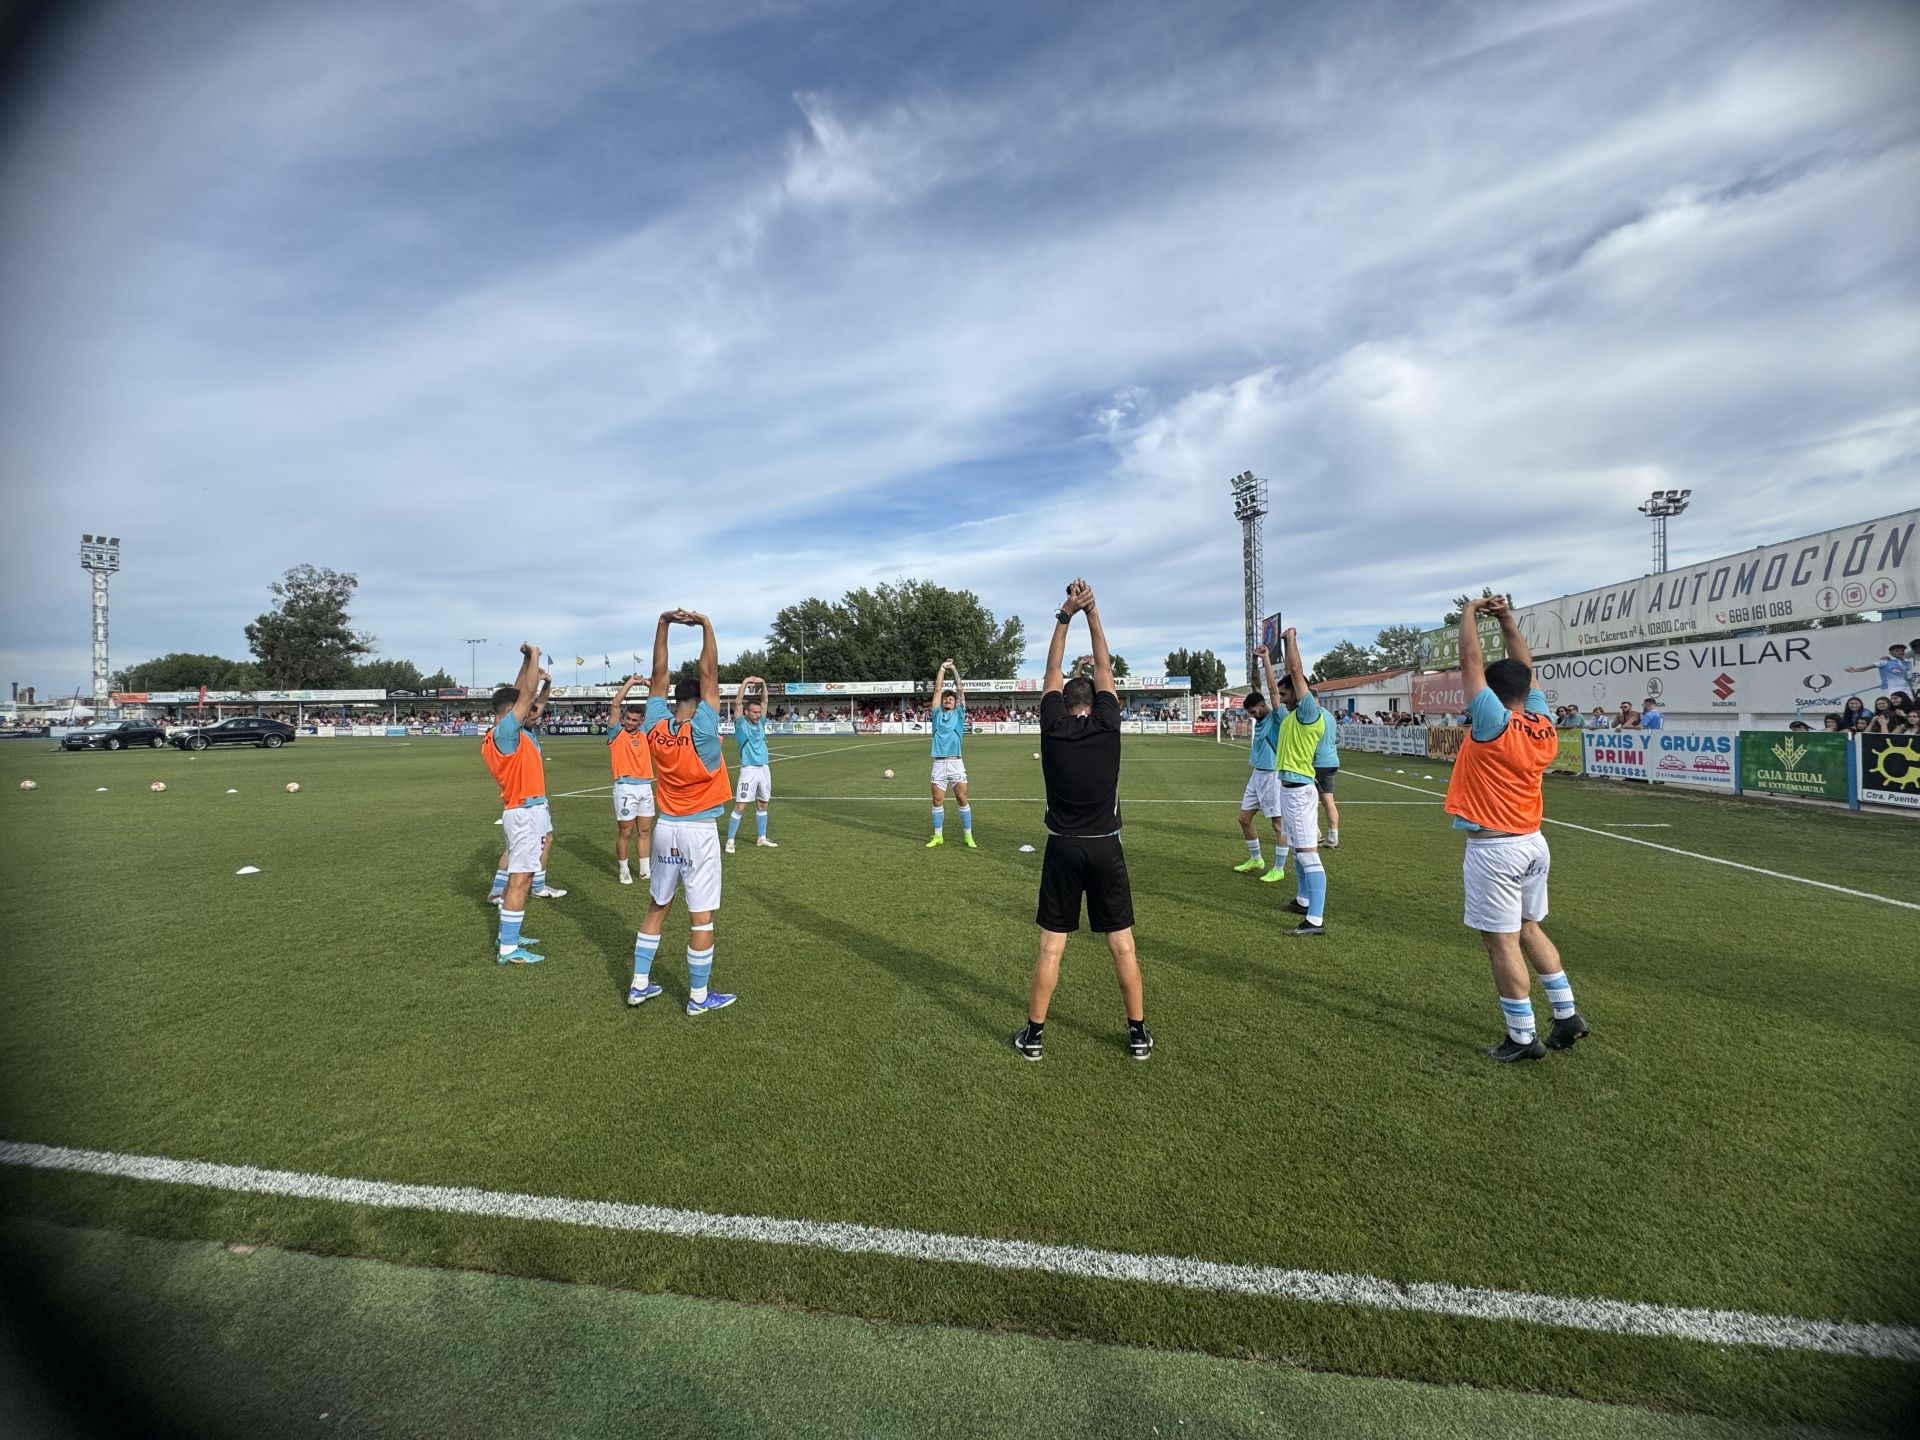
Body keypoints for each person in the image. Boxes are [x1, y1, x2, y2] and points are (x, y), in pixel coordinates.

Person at [1444, 595, 1589, 1063]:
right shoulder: (1542, 723)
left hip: (1496, 848)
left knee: (1501, 941)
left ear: (1489, 690)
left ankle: (1522, 1038)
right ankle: (1567, 1014)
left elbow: (1470, 660)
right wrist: (1506, 618)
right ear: (1528, 690)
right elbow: (1526, 669)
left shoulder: (1493, 723)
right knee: (1528, 926)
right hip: (1532, 842)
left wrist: (1468, 612)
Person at [1013, 579, 1151, 1062]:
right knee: (1123, 946)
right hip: (1105, 847)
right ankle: (1137, 1033)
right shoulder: (1109, 723)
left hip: (1063, 846)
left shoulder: (1051, 727)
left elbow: (1051, 668)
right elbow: (1106, 665)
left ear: (1063, 703)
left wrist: (1065, 614)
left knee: (1051, 948)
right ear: (1094, 702)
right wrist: (1093, 612)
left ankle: (1033, 1036)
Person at [628, 610, 736, 1017]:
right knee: (701, 918)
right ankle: (697, 997)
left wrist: (662, 623)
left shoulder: (656, 725)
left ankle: (639, 985)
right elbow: (710, 671)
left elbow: (658, 672)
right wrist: (707, 625)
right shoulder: (706, 727)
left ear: (673, 700)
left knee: (658, 906)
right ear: (704, 700)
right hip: (698, 830)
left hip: (665, 828)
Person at [481, 646, 556, 966]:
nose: (531, 709)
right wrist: (536, 655)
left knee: (522, 874)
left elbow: (518, 692)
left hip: (527, 810)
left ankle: (508, 935)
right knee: (521, 879)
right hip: (523, 811)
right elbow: (524, 695)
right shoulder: (506, 733)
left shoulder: (503, 731)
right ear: (511, 710)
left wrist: (525, 662)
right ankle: (509, 949)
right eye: (524, 707)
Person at [487, 666, 567, 911]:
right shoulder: (508, 734)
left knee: (540, 842)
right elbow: (523, 693)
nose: (535, 712)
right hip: (524, 806)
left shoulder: (523, 731)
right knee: (519, 873)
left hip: (533, 803)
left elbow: (531, 698)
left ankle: (523, 889)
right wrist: (532, 658)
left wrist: (546, 684)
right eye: (529, 709)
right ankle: (504, 906)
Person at [1270, 628, 1330, 938]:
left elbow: (1296, 671)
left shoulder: (1308, 713)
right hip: (1287, 790)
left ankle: (1315, 920)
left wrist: (1289, 639)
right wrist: (1267, 661)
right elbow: (1273, 686)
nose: (1280, 699)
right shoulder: (1291, 715)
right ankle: (1304, 900)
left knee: (1308, 854)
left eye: (1284, 694)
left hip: (1300, 792)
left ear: (1298, 692)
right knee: (1296, 849)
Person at [1232, 644, 1289, 883]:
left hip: (1273, 776)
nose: (1253, 716)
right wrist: (1254, 661)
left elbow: (1273, 690)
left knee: (1278, 825)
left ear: (1263, 706)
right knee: (1244, 819)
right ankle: (1256, 859)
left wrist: (1266, 658)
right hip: (1257, 775)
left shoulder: (1277, 715)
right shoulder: (1260, 709)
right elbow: (1256, 685)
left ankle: (1279, 867)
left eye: (1254, 712)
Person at [606, 674, 655, 886]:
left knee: (645, 830)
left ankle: (645, 869)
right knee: (626, 830)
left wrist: (649, 685)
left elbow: (656, 702)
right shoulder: (616, 732)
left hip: (645, 786)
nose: (629, 723)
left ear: (641, 721)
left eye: (634, 720)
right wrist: (631, 683)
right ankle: (624, 869)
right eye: (627, 719)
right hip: (625, 787)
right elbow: (615, 704)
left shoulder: (644, 731)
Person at [726, 676, 778, 854]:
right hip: (748, 770)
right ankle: (730, 841)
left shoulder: (761, 722)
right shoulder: (740, 724)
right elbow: (738, 701)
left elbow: (765, 700)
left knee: (763, 803)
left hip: (764, 768)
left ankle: (761, 838)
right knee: (740, 806)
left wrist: (763, 682)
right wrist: (746, 682)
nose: (758, 714)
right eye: (754, 712)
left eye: (759, 712)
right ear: (747, 712)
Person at [927, 659, 974, 848]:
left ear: (956, 703)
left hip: (956, 763)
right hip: (939, 763)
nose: (947, 699)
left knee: (962, 799)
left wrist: (953, 669)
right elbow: (937, 691)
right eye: (946, 698)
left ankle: (968, 836)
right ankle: (938, 836)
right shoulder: (937, 714)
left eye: (951, 698)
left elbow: (960, 689)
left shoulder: (959, 714)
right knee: (937, 800)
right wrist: (941, 669)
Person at [1315, 699, 1341, 848]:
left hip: (1318, 762)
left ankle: (1315, 834)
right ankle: (1333, 838)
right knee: (1328, 801)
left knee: (1308, 799)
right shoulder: (1329, 715)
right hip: (1332, 761)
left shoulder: (1312, 715)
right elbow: (1337, 738)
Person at [1846, 642, 1912, 698]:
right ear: (1891, 652)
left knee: (1908, 703)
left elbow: (1907, 675)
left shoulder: (1907, 662)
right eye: (1897, 651)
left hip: (1905, 687)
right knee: (1893, 704)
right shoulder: (1884, 661)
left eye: (1902, 650)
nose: (1901, 652)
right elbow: (1867, 667)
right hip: (1890, 688)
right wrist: (1855, 670)